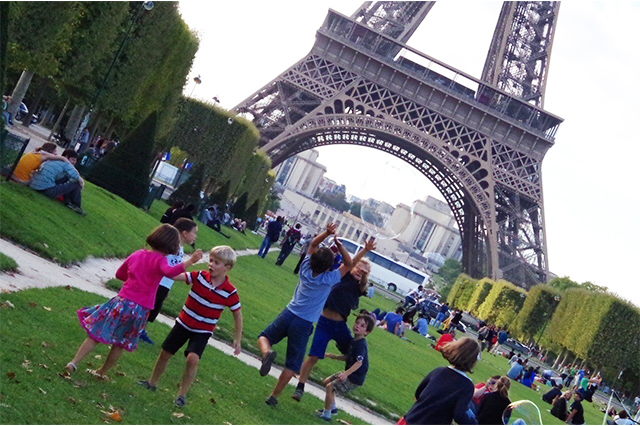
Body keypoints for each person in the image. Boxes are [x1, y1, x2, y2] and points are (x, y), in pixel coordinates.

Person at [63, 224, 203, 378]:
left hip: (122, 302)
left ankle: (74, 362)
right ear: (171, 244)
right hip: (140, 310)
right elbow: (169, 272)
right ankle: (101, 372)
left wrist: (133, 280)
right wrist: (190, 262)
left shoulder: (137, 254)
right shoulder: (161, 261)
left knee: (96, 334)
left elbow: (119, 274)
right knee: (120, 343)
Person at [257, 223, 357, 407]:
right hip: (304, 324)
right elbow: (349, 264)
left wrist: (327, 232)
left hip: (288, 313)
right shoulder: (329, 279)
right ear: (329, 266)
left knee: (264, 337)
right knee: (292, 364)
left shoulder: (304, 268)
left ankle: (266, 353)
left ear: (312, 259)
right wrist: (340, 245)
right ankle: (273, 397)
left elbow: (312, 245)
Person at [138, 246, 242, 408]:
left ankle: (182, 395)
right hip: (183, 323)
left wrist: (237, 338)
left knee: (192, 359)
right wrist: (169, 266)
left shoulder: (230, 292)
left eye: (217, 262)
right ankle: (151, 383)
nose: (211, 264)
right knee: (165, 353)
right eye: (211, 260)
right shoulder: (199, 276)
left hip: (202, 331)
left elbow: (237, 314)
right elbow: (174, 275)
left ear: (227, 268)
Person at [292, 240, 375, 402]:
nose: (361, 272)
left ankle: (343, 384)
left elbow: (364, 283)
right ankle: (300, 387)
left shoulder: (359, 288)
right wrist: (364, 250)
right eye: (359, 268)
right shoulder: (341, 276)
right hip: (324, 323)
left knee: (352, 353)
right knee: (314, 357)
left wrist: (364, 276)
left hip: (340, 326)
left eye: (365, 272)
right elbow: (349, 263)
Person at [139, 218, 199, 345]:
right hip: (159, 283)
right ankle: (138, 330)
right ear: (184, 233)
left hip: (165, 284)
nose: (195, 236)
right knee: (149, 307)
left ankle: (141, 330)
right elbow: (167, 269)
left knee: (154, 308)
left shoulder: (179, 249)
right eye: (194, 232)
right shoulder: (172, 248)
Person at [398, 337, 480, 425]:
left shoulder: (438, 371)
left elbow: (419, 393)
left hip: (411, 419)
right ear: (473, 361)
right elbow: (459, 414)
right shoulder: (466, 386)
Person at [314, 314, 375, 422]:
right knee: (326, 382)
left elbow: (358, 362)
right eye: (357, 323)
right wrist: (333, 356)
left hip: (354, 378)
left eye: (362, 326)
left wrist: (346, 374)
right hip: (348, 373)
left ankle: (326, 415)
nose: (357, 326)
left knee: (330, 387)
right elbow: (348, 357)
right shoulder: (354, 341)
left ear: (366, 332)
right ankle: (332, 408)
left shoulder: (361, 344)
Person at [29, 149, 86, 215]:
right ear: (66, 157)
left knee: (67, 178)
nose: (74, 162)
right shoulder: (66, 164)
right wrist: (81, 185)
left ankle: (69, 202)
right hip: (47, 190)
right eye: (73, 159)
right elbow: (78, 178)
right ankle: (75, 205)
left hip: (35, 185)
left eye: (75, 160)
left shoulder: (53, 160)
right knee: (76, 182)